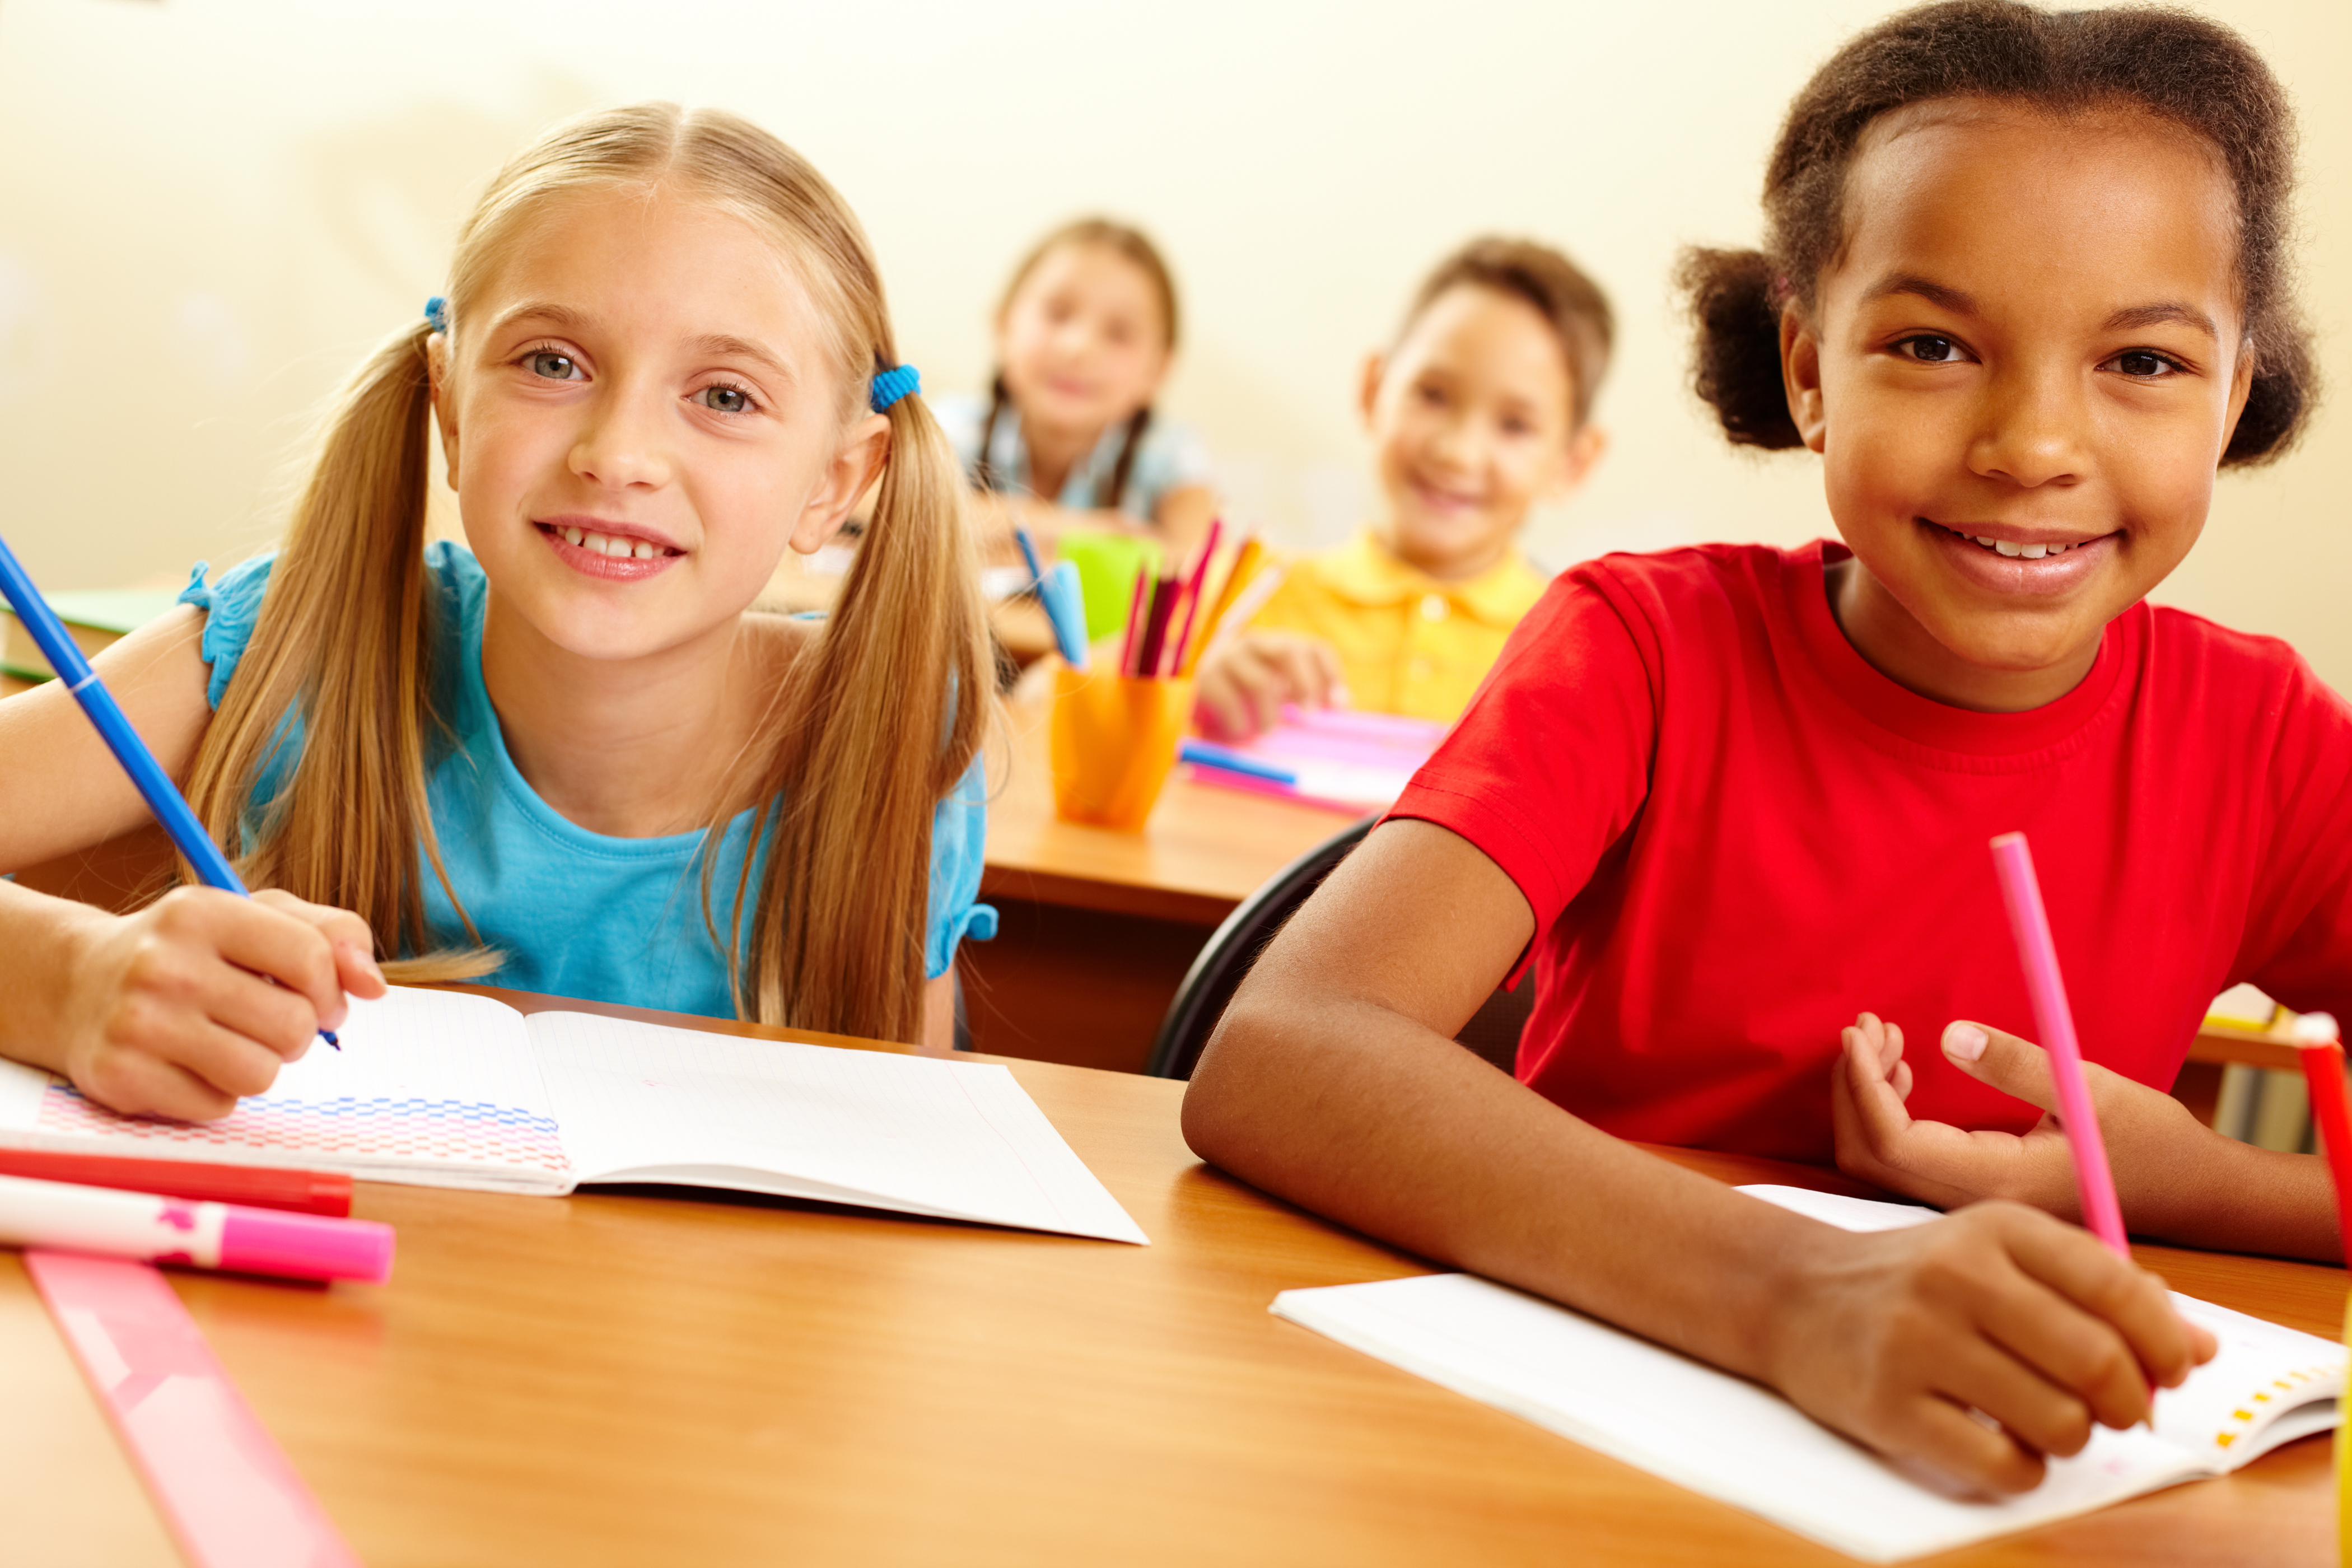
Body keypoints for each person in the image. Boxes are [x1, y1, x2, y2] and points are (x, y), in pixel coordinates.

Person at [1184, 0, 2345, 1497]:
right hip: (1573, 1455)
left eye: (2144, 363)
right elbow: (1282, 1056)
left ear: (2240, 384)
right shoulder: (1647, 649)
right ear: (1809, 366)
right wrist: (1799, 1296)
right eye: (1932, 344)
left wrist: (2182, 1179)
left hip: (2017, 1487)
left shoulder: (2266, 744)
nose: (2034, 443)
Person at [0, 104, 998, 1121]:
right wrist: (68, 978)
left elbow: (895, 1175)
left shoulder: (899, 738)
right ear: (448, 401)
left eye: (726, 397)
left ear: (837, 482)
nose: (619, 454)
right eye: (552, 363)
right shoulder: (286, 645)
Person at [1193, 238, 1609, 741]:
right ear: (1373, 390)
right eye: (1432, 395)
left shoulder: (1580, 660)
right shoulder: (1239, 595)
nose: (1458, 452)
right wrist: (1184, 699)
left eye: (1515, 425)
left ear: (1573, 463)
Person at [936, 219, 1219, 560]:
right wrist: (1081, 531)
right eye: (1057, 313)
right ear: (1003, 326)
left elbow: (1192, 558)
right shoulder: (951, 430)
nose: (1079, 347)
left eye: (1119, 333)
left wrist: (998, 530)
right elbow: (872, 501)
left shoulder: (1170, 456)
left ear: (1156, 373)